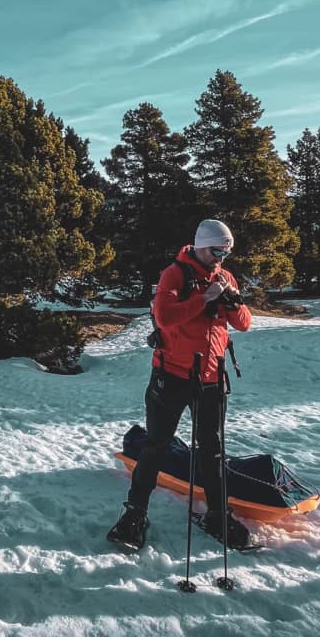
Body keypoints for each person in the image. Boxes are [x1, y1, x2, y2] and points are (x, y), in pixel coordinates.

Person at [108, 219, 254, 550]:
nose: (221, 258)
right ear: (201, 245)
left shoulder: (224, 276)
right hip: (171, 375)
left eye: (226, 252)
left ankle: (218, 514)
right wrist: (204, 299)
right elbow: (165, 317)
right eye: (217, 250)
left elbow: (244, 324)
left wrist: (232, 301)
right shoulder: (175, 274)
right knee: (156, 446)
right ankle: (134, 515)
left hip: (212, 378)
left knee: (213, 451)